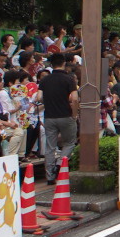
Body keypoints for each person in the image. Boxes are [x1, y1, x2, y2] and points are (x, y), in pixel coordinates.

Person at [39, 53, 78, 182]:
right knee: (70, 142)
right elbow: (74, 98)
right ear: (64, 64)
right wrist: (74, 113)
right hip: (66, 115)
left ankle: (49, 176)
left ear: (51, 64)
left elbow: (39, 97)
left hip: (49, 116)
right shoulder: (69, 79)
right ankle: (60, 164)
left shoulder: (45, 80)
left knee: (50, 146)